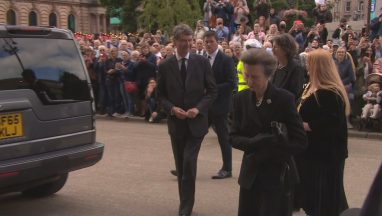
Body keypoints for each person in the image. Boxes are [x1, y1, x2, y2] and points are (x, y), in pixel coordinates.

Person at [230, 48, 307, 216]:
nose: (249, 81)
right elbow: (233, 136)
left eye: (254, 77)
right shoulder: (240, 99)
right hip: (251, 173)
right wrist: (253, 142)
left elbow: (300, 141)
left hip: (277, 173)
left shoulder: (284, 99)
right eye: (246, 75)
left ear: (268, 74)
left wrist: (275, 148)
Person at [157, 24, 217, 216]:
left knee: (189, 162)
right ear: (174, 42)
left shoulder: (201, 62)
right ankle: (184, 203)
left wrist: (198, 109)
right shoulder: (165, 66)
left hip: (196, 124)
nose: (187, 44)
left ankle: (186, 208)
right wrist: (172, 109)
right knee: (182, 166)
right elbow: (160, 96)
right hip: (176, 125)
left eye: (190, 41)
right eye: (183, 41)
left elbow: (212, 91)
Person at [298, 49, 350, 216]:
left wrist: (307, 125)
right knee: (314, 195)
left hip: (325, 154)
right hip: (313, 151)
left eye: (309, 64)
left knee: (325, 198)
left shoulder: (329, 92)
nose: (307, 67)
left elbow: (333, 123)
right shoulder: (312, 86)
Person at [204, 30, 236, 179]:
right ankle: (185, 166)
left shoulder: (226, 60)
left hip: (220, 106)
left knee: (224, 137)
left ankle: (227, 169)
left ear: (217, 42)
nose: (208, 44)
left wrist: (213, 89)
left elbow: (231, 83)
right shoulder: (202, 59)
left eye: (211, 41)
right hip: (204, 105)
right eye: (206, 42)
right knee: (195, 136)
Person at [271, 33, 306, 103]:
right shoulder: (275, 66)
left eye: (275, 47)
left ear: (285, 49)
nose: (272, 50)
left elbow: (294, 94)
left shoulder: (296, 68)